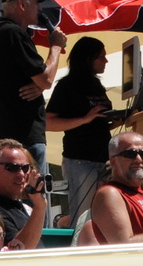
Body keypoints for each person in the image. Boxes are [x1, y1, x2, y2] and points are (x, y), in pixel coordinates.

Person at [0, 0, 67, 174]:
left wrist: (38, 86)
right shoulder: (13, 33)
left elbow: (27, 79)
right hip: (25, 137)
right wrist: (56, 46)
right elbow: (46, 79)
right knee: (33, 190)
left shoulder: (0, 34)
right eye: (36, 3)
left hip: (10, 137)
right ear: (22, 4)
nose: (40, 8)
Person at [45, 36, 113, 224]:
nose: (106, 61)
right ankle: (64, 225)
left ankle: (63, 223)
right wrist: (84, 119)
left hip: (103, 159)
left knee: (102, 215)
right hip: (81, 160)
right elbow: (48, 123)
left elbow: (97, 120)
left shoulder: (96, 85)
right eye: (101, 56)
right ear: (88, 59)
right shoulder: (67, 86)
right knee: (83, 217)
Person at [0, 140, 48, 249]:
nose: (21, 174)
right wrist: (39, 206)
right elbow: (20, 250)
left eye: (25, 168)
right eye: (12, 168)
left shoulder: (16, 206)